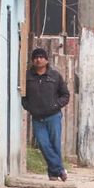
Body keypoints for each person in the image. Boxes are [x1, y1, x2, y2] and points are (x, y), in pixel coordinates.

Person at [21, 47, 70, 181]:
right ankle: (60, 170)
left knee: (55, 145)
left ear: (46, 60)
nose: (38, 59)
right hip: (37, 118)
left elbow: (65, 95)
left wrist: (56, 105)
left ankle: (53, 173)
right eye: (36, 57)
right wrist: (28, 106)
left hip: (53, 116)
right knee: (43, 144)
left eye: (41, 57)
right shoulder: (27, 76)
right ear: (32, 61)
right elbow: (22, 95)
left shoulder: (55, 76)